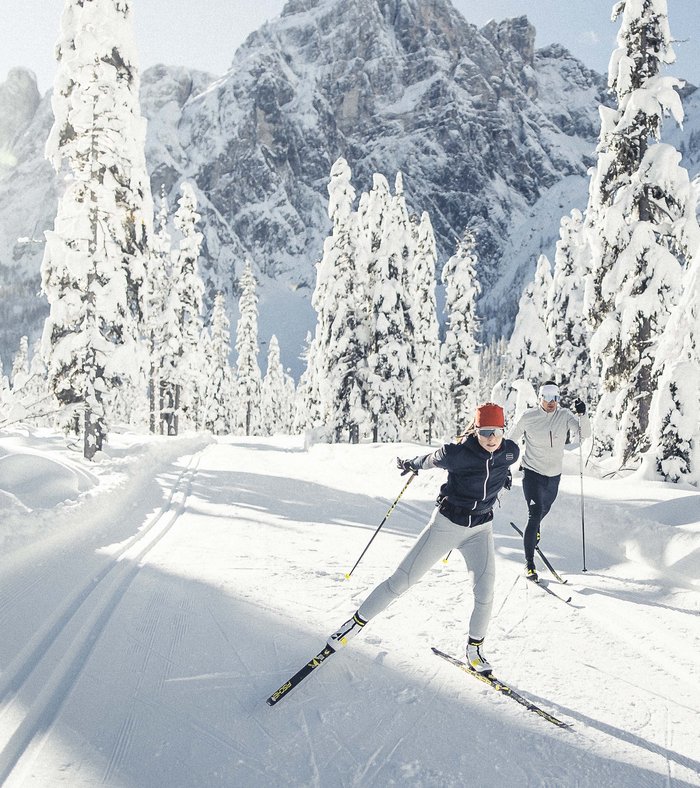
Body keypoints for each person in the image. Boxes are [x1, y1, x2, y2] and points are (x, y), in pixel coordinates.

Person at [326, 403, 519, 675]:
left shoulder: (510, 451)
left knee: (485, 592)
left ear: (503, 430)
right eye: (485, 431)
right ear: (476, 431)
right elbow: (429, 459)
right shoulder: (457, 454)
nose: (491, 438)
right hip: (447, 525)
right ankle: (354, 624)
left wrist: (505, 477)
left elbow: (501, 466)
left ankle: (475, 649)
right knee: (401, 581)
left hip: (480, 530)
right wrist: (410, 464)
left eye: (497, 431)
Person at [507, 381, 591, 581]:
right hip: (532, 473)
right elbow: (510, 442)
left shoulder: (564, 416)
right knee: (534, 514)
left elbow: (584, 434)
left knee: (544, 509)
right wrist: (503, 468)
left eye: (555, 397)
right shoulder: (528, 417)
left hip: (554, 475)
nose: (551, 402)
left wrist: (583, 415)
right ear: (540, 398)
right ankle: (529, 564)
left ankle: (534, 532)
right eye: (547, 396)